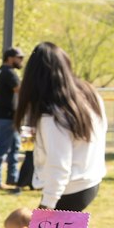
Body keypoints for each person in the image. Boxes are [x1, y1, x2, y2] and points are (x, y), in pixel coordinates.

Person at [17, 41, 107, 212]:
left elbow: (59, 163)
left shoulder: (53, 114)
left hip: (69, 188)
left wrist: (47, 204)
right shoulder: (89, 94)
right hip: (90, 180)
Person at [0, 47, 24, 191]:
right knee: (3, 149)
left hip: (4, 116)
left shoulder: (1, 71)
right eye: (19, 58)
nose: (21, 61)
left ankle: (12, 179)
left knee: (14, 147)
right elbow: (20, 91)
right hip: (5, 117)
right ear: (10, 58)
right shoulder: (9, 73)